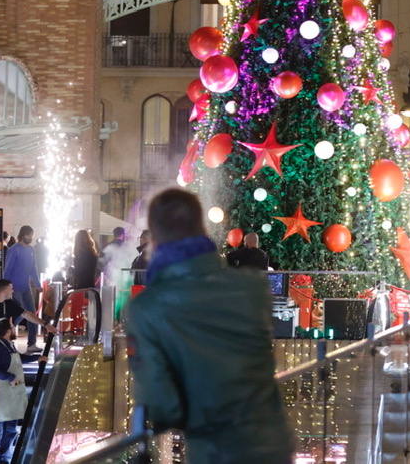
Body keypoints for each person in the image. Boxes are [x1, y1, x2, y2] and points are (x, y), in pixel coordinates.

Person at [124, 188, 294, 463]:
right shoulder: (252, 288)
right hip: (273, 445)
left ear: (154, 238)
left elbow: (163, 407)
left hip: (214, 452)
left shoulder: (147, 308)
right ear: (201, 228)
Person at [0, 279, 52, 456]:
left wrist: (44, 326)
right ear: (5, 289)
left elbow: (28, 315)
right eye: (11, 288)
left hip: (6, 388)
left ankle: (1, 453)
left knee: (9, 429)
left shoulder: (10, 310)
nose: (13, 290)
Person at [0, 319, 27, 464]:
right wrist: (9, 377)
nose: (14, 329)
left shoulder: (10, 346)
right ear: (8, 331)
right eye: (13, 327)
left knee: (10, 429)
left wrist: (38, 358)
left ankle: (4, 456)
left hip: (12, 393)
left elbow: (20, 359)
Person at [2, 225, 41, 348]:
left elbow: (33, 269)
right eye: (28, 235)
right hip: (14, 287)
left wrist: (37, 284)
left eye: (31, 235)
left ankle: (32, 343)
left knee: (32, 314)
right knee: (19, 313)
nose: (30, 237)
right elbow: (7, 269)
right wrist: (7, 286)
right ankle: (7, 333)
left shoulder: (31, 250)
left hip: (26, 287)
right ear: (23, 235)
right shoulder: (14, 250)